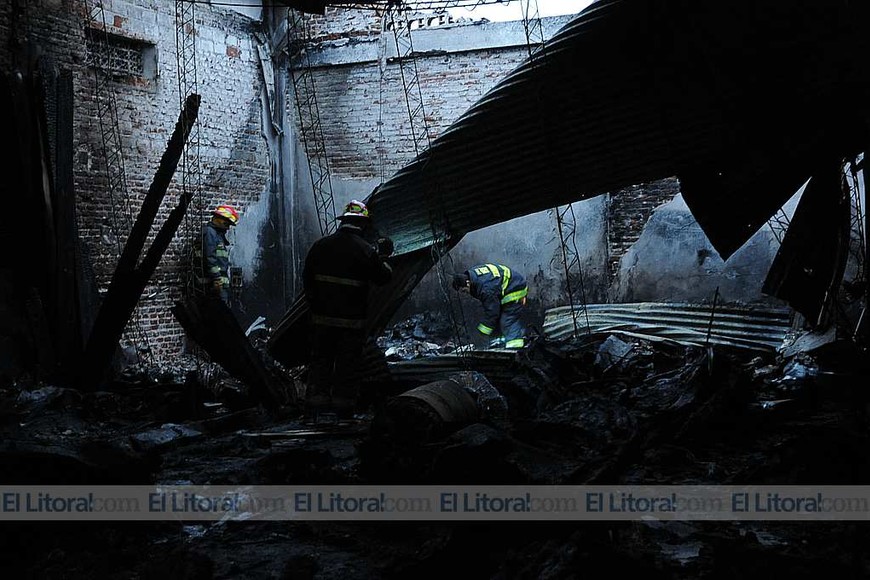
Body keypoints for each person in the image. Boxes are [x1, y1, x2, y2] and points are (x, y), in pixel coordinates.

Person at [302, 199, 394, 420]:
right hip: (351, 322)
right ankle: (343, 410)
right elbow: (383, 277)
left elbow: (307, 280)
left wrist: (315, 307)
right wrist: (383, 257)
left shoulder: (320, 246)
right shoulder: (364, 250)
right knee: (346, 365)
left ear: (343, 221)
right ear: (363, 224)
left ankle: (316, 407)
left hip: (322, 320)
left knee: (320, 361)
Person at [452, 263, 529, 349]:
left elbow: (492, 312)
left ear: (467, 283)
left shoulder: (485, 288)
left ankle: (515, 347)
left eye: (464, 291)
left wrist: (483, 332)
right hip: (508, 286)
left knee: (507, 320)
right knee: (498, 319)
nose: (465, 293)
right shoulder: (473, 276)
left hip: (515, 289)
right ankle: (503, 342)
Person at [193, 204, 240, 305]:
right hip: (213, 284)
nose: (227, 227)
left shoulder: (217, 234)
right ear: (218, 218)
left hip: (218, 283)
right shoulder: (210, 233)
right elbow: (210, 258)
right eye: (226, 223)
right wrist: (216, 279)